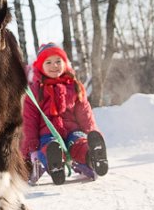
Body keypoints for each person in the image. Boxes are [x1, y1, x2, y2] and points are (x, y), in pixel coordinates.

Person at [20, 43, 109, 185]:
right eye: (48, 62)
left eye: (58, 61)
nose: (54, 65)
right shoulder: (35, 90)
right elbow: (29, 121)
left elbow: (84, 113)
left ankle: (93, 157)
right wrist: (30, 147)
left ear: (65, 63)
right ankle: (56, 165)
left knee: (79, 143)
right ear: (40, 66)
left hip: (72, 131)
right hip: (47, 134)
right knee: (48, 148)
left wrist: (91, 132)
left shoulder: (74, 86)